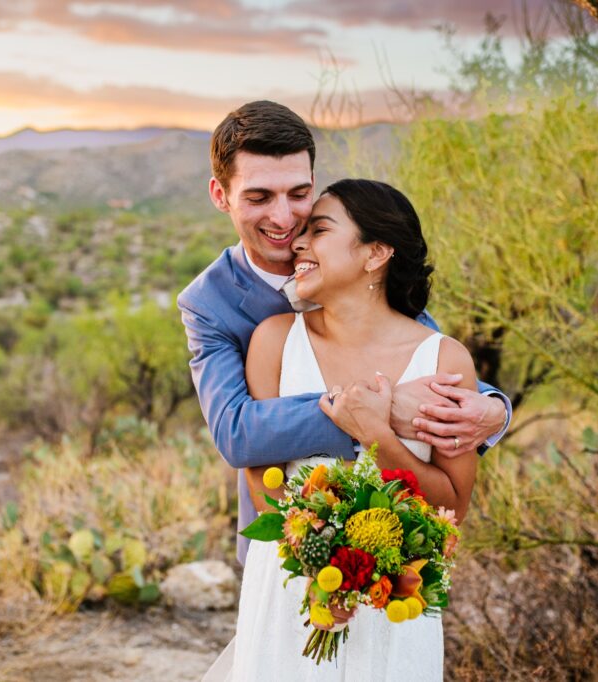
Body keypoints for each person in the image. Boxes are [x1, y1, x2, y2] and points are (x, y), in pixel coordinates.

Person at [177, 100, 511, 567]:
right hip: (287, 543)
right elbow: (237, 434)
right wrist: (376, 409)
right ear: (220, 195)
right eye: (259, 198)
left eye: (298, 193)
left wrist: (496, 407)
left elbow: (425, 355)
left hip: (395, 550)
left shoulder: (354, 268)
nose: (285, 220)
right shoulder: (209, 303)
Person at [225, 178, 474, 679]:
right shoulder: (274, 341)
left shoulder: (443, 358)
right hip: (292, 589)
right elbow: (263, 484)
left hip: (393, 602)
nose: (298, 242)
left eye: (318, 230)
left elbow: (452, 507)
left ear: (376, 252)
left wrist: (377, 436)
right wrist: (324, 574)